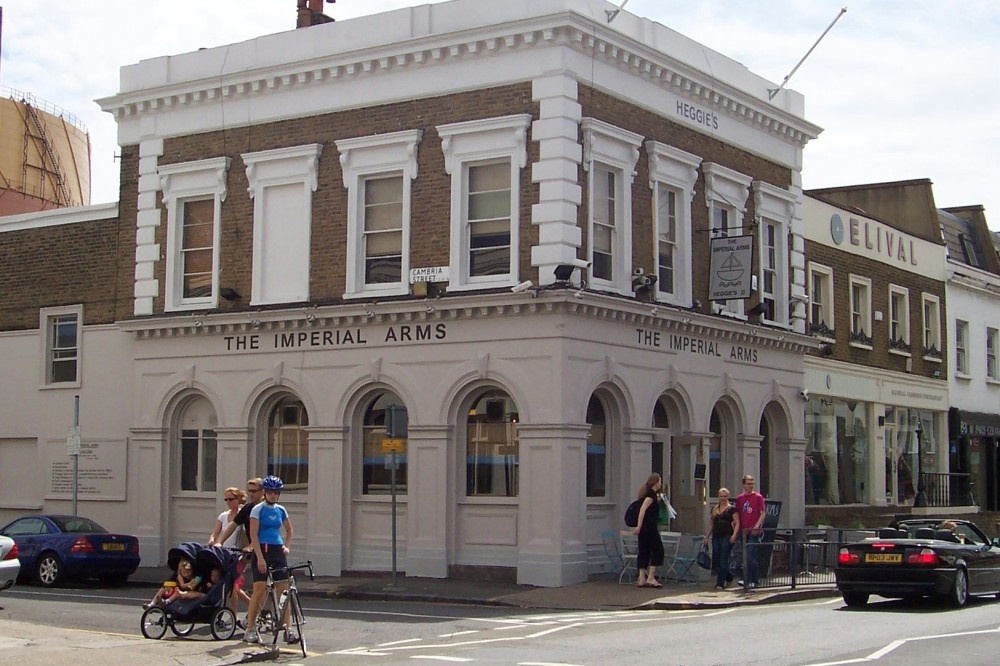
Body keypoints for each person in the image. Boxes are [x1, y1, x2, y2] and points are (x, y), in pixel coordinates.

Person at [244, 475, 296, 645]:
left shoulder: (281, 510)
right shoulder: (257, 509)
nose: (274, 496)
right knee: (259, 589)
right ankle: (250, 628)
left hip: (277, 550)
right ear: (265, 492)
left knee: (284, 590)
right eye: (271, 492)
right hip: (263, 549)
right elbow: (253, 534)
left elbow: (289, 530)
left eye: (276, 493)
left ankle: (288, 628)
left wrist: (286, 546)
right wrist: (259, 557)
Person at [213, 478, 264, 624]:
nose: (252, 494)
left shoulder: (266, 508)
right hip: (246, 554)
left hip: (264, 549)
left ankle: (257, 610)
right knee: (238, 583)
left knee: (260, 584)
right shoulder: (248, 509)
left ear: (262, 492)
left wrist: (252, 545)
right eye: (250, 491)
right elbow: (233, 525)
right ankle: (251, 612)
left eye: (255, 491)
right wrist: (219, 541)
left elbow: (264, 532)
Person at [702, 487, 740, 590]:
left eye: (725, 496)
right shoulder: (714, 508)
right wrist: (707, 536)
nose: (723, 498)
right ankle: (729, 576)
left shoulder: (732, 509)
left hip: (727, 535)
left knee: (723, 558)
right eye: (721, 496)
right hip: (716, 536)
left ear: (727, 497)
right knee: (716, 559)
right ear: (718, 497)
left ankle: (720, 583)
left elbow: (737, 523)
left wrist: (734, 535)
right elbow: (711, 523)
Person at [631, 473, 664, 588]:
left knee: (644, 550)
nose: (661, 483)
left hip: (645, 528)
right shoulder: (651, 495)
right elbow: (643, 509)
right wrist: (639, 526)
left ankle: (641, 578)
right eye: (659, 481)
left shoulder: (648, 494)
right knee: (658, 550)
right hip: (649, 527)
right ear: (655, 482)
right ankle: (650, 577)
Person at [735, 474, 765, 587]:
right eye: (748, 483)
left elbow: (762, 513)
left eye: (752, 483)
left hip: (753, 531)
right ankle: (753, 579)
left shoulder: (758, 497)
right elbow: (737, 512)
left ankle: (748, 579)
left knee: (750, 555)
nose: (751, 485)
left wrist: (757, 526)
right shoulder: (740, 498)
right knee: (746, 555)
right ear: (743, 485)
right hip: (743, 531)